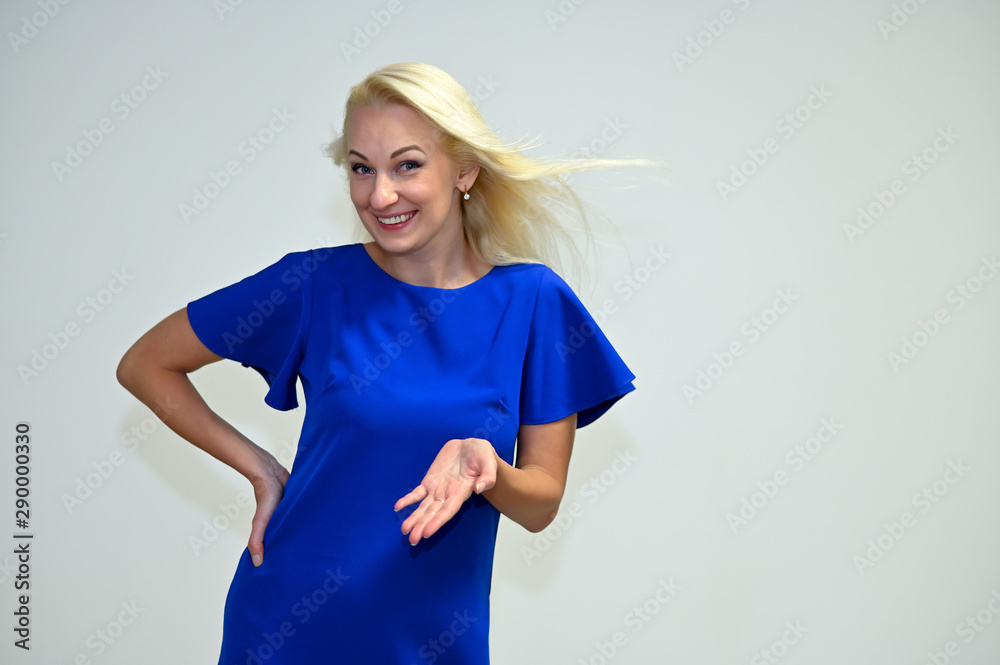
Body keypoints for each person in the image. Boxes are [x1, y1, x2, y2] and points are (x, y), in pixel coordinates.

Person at [117, 62, 639, 664]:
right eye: (361, 168)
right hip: (287, 629)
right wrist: (262, 470)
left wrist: (486, 466)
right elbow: (146, 364)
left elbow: (541, 504)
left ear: (463, 170)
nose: (379, 195)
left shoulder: (533, 303)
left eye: (407, 165)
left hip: (434, 642)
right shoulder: (313, 285)